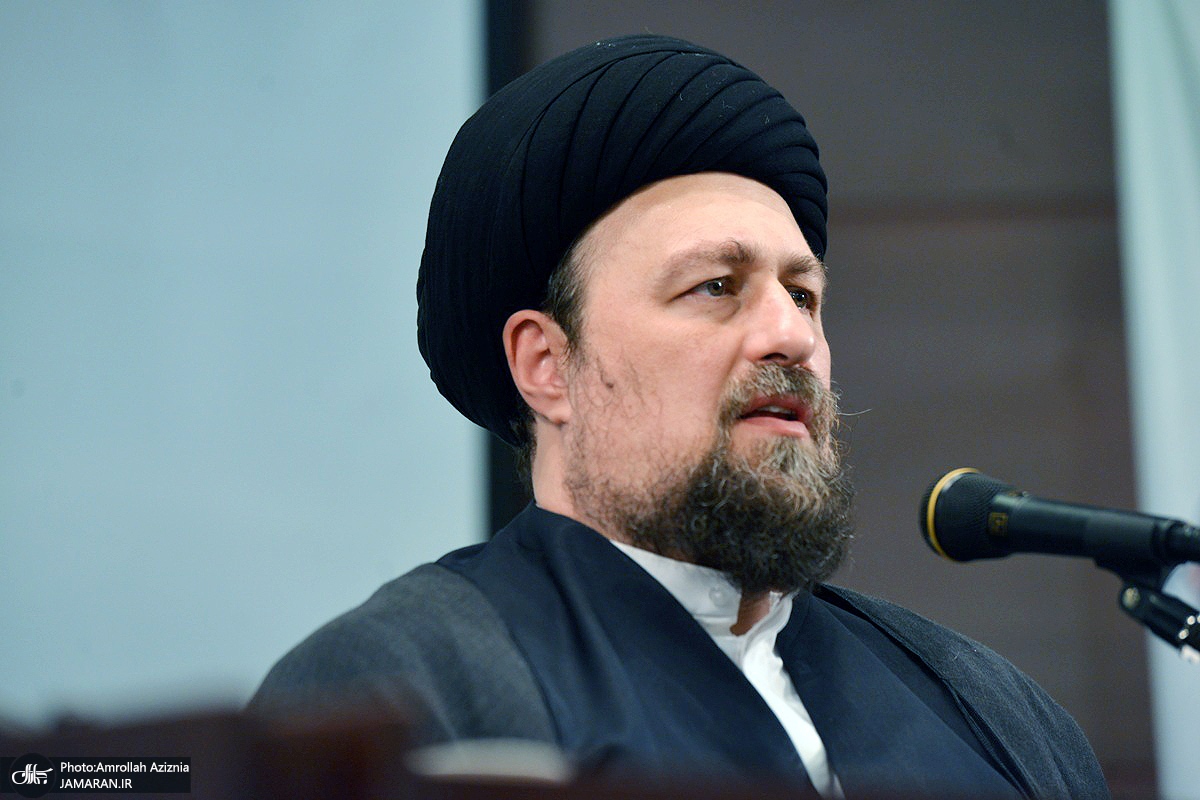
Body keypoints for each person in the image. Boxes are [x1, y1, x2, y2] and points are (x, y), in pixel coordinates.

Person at [251, 35, 1109, 799]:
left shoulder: (995, 712)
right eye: (715, 287)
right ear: (547, 366)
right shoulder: (403, 688)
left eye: (803, 295)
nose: (790, 336)